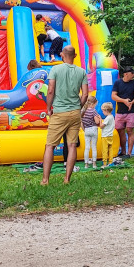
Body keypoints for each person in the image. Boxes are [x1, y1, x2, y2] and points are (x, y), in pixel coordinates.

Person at [42, 45, 89, 185]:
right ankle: (67, 179)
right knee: (72, 145)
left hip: (59, 112)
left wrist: (48, 108)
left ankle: (45, 180)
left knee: (50, 146)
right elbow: (85, 94)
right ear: (74, 56)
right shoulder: (82, 72)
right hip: (75, 113)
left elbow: (50, 90)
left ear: (62, 55)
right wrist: (78, 107)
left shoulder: (55, 69)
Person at [112, 66, 134, 157]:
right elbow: (113, 96)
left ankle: (129, 153)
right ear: (126, 74)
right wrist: (124, 101)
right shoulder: (118, 83)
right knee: (120, 131)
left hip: (131, 111)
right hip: (120, 111)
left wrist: (132, 102)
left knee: (130, 130)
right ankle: (123, 151)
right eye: (132, 73)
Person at [81, 96, 101, 168]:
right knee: (94, 147)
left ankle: (86, 164)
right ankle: (94, 164)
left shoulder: (83, 111)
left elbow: (81, 123)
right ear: (93, 104)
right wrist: (99, 119)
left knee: (87, 147)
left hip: (86, 130)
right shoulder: (93, 111)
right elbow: (96, 121)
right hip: (93, 129)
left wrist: (84, 129)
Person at [98, 102, 117, 167]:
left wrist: (100, 120)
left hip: (105, 136)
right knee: (110, 149)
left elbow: (101, 126)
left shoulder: (107, 118)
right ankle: (110, 161)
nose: (102, 112)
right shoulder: (112, 117)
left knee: (104, 150)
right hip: (110, 135)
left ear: (106, 110)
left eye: (103, 111)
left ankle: (104, 163)